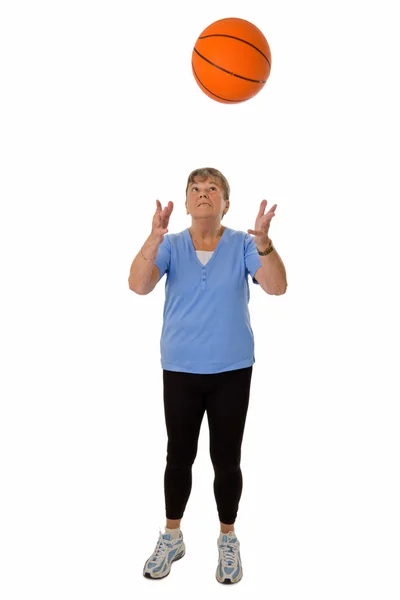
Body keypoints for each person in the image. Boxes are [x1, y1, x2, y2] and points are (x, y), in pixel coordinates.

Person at [128, 167, 287, 584]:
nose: (203, 194)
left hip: (231, 370)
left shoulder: (243, 245)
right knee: (178, 456)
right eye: (195, 189)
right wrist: (152, 237)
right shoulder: (171, 244)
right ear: (185, 203)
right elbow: (138, 285)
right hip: (180, 368)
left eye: (212, 188)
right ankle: (173, 536)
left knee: (226, 459)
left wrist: (266, 245)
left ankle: (227, 539)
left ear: (225, 203)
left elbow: (277, 287)